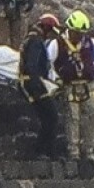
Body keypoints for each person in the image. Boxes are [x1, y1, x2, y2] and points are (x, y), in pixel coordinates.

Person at [46, 10, 94, 162]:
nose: (80, 36)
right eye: (77, 33)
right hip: (69, 85)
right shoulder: (57, 43)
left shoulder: (89, 43)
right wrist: (54, 79)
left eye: (82, 33)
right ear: (70, 30)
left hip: (88, 84)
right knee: (73, 117)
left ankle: (88, 149)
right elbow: (48, 63)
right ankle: (73, 151)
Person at [19, 13, 63, 158]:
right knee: (51, 117)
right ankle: (44, 151)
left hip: (31, 82)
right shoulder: (36, 42)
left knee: (47, 118)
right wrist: (40, 84)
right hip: (34, 84)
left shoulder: (30, 39)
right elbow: (32, 66)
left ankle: (44, 151)